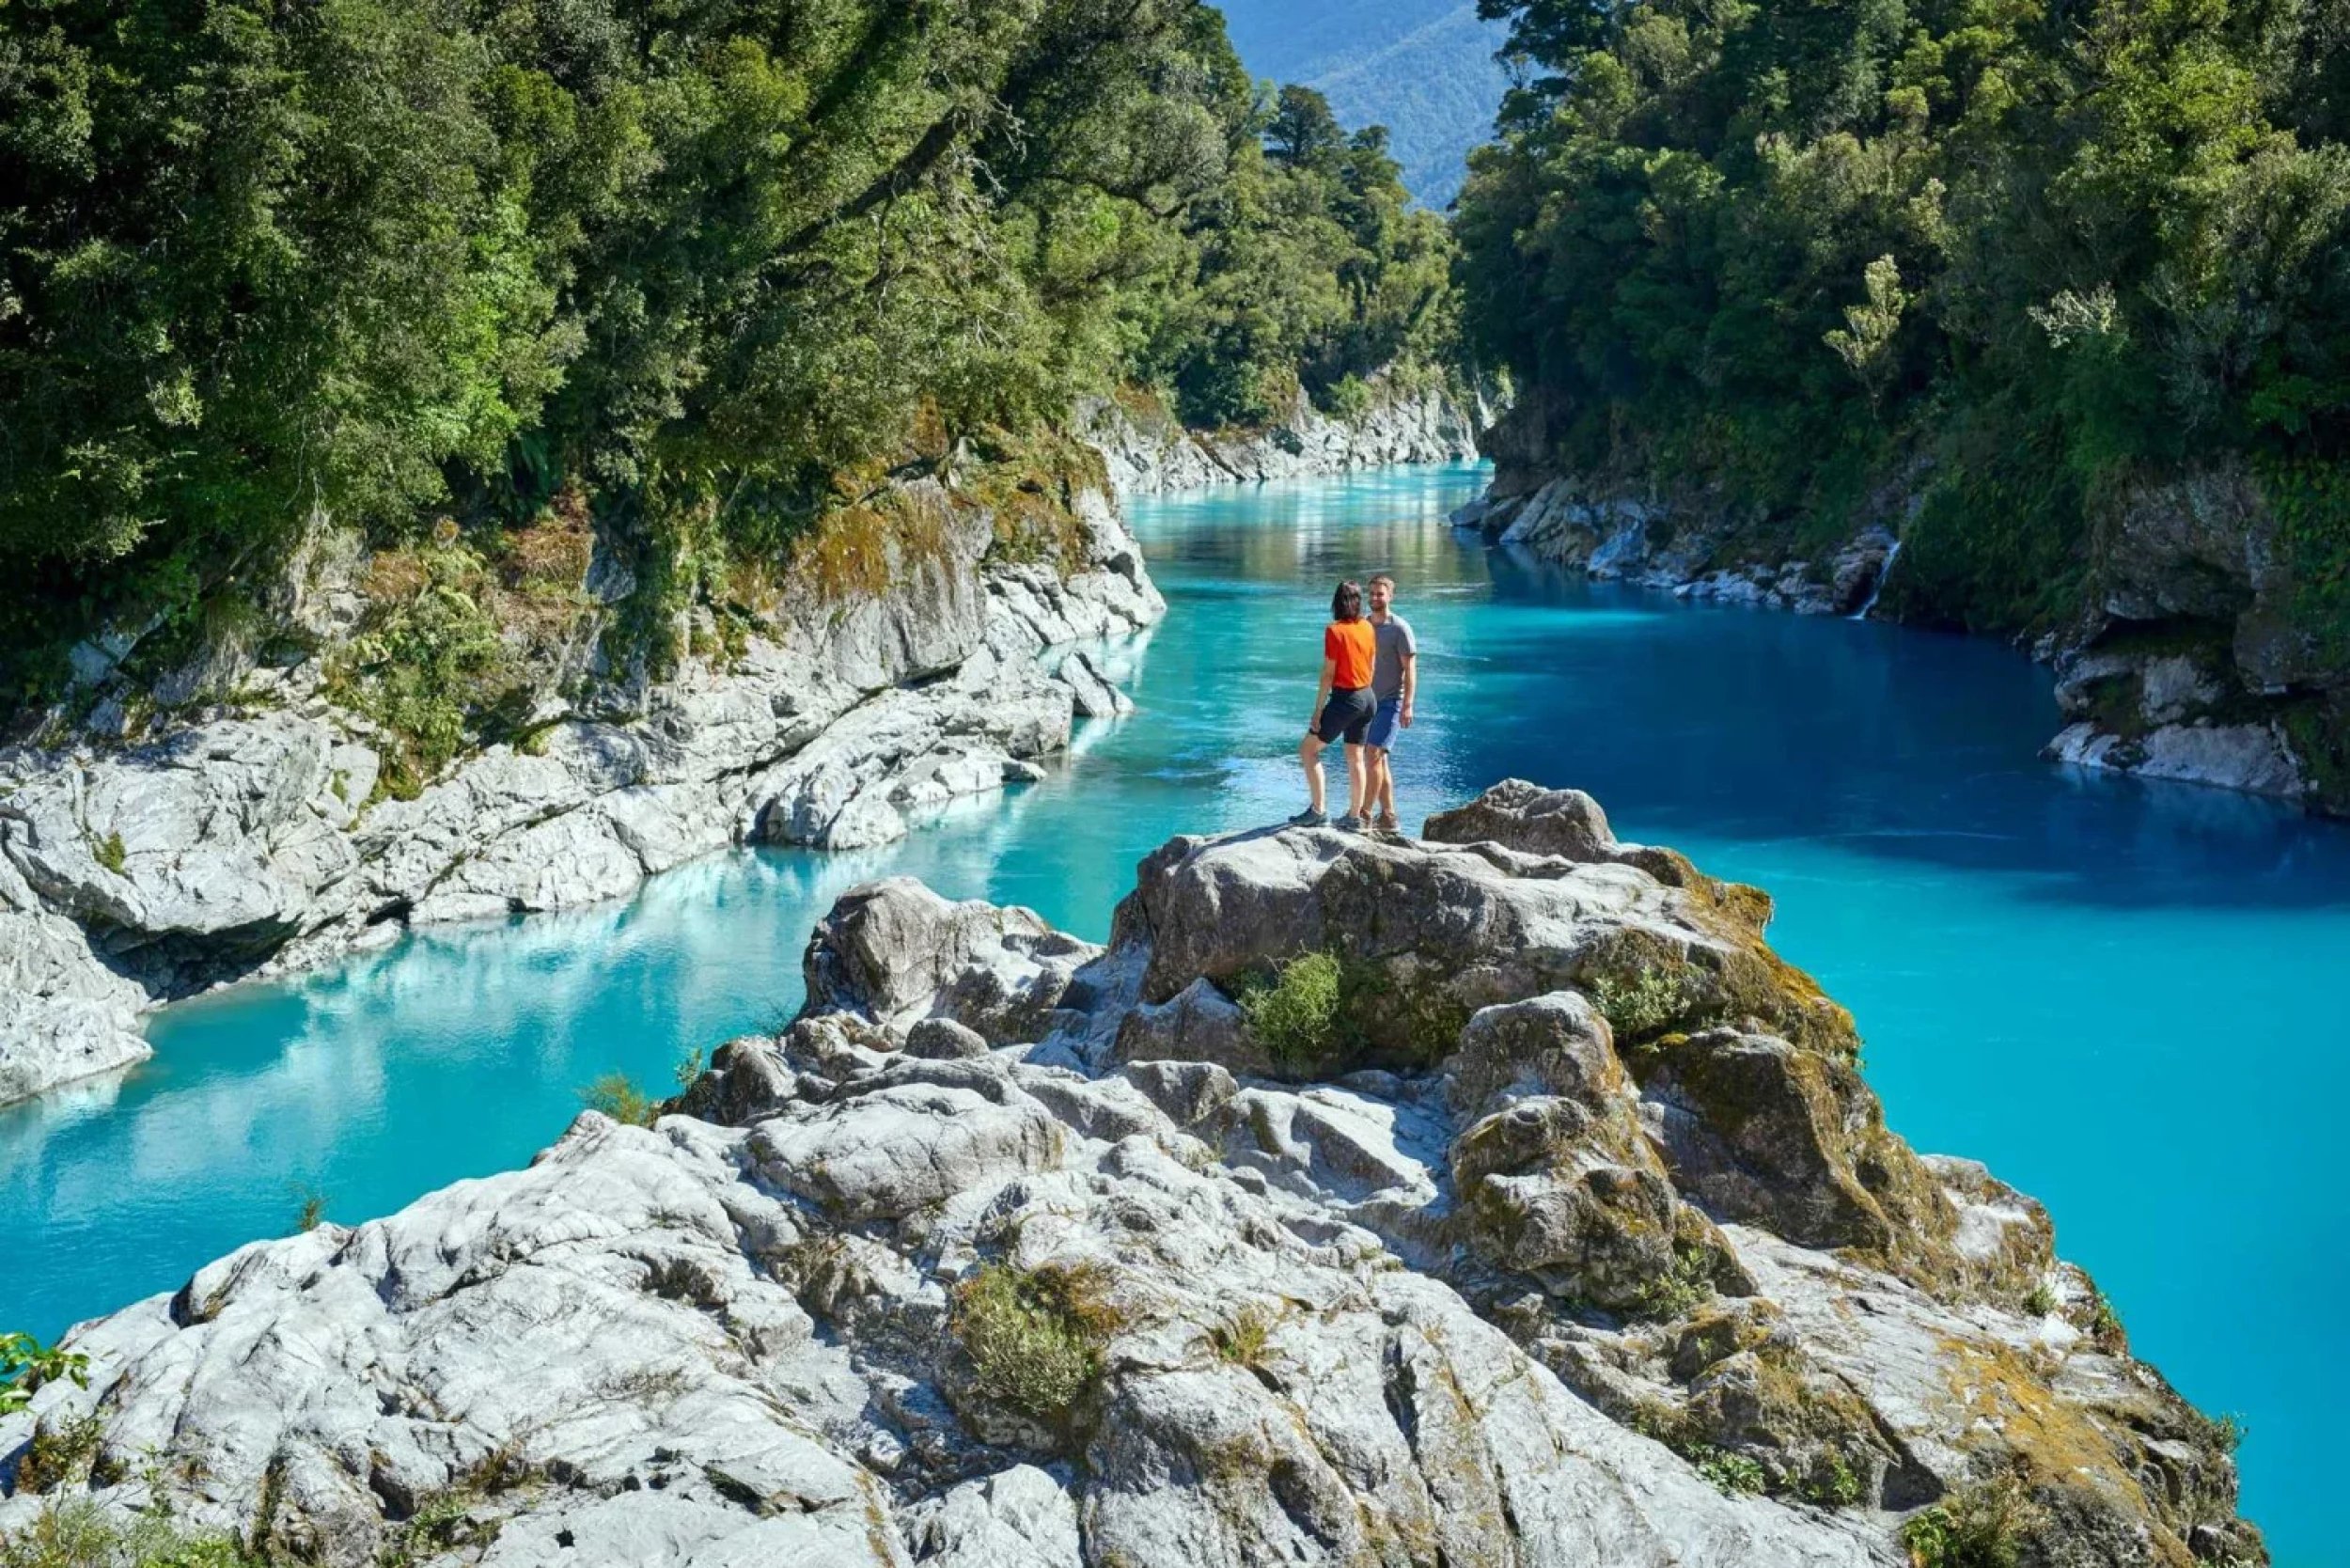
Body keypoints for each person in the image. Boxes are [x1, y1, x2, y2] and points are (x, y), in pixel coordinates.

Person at [1293, 580, 1376, 829]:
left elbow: (1329, 673)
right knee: (1355, 757)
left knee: (1308, 750)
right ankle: (1354, 818)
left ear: (1336, 603)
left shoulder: (1334, 631)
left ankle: (1318, 810)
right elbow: (1372, 663)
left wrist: (1318, 709)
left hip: (1346, 698)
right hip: (1368, 697)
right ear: (1358, 601)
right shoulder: (1367, 626)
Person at [1362, 572, 1417, 834]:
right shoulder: (1363, 625)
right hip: (1367, 703)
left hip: (1391, 703)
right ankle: (1389, 816)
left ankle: (1363, 814)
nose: (1375, 598)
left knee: (1372, 755)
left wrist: (1408, 705)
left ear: (1390, 596)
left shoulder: (1400, 628)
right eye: (1371, 593)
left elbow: (1410, 669)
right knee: (1380, 761)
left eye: (1380, 594)